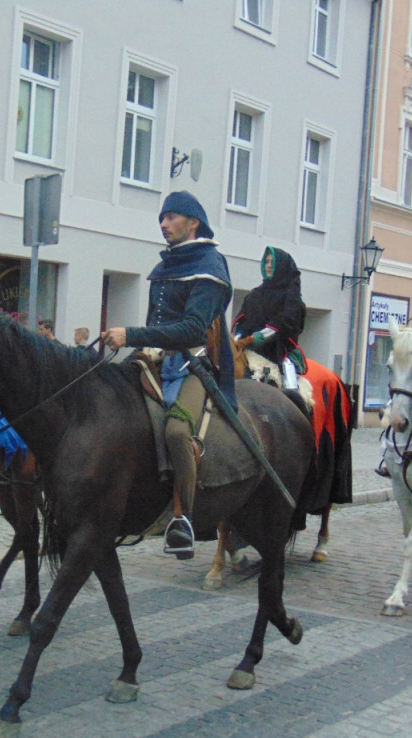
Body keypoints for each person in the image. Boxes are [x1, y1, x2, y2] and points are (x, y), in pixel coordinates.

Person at [103, 190, 234, 559]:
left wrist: (132, 335)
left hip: (193, 363)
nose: (163, 224)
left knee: (176, 431)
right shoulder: (166, 266)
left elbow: (193, 329)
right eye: (161, 218)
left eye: (171, 217)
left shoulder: (210, 264)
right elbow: (155, 323)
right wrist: (135, 347)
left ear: (193, 223)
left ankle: (185, 519)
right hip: (156, 360)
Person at [231, 246, 307, 390]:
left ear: (282, 266)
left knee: (290, 386)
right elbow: (242, 322)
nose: (269, 265)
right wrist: (235, 342)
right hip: (250, 348)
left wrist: (262, 335)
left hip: (278, 350)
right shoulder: (254, 295)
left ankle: (296, 404)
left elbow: (286, 322)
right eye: (266, 262)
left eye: (273, 262)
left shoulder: (292, 298)